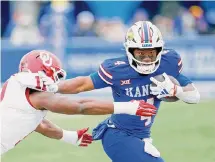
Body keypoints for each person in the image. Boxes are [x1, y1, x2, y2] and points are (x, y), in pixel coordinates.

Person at [39, 21, 200, 162]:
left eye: (151, 53)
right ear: (129, 51)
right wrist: (54, 87)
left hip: (141, 136)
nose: (146, 58)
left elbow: (194, 96)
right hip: (118, 135)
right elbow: (82, 84)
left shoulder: (168, 63)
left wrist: (175, 89)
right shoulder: (117, 69)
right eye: (140, 53)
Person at [0, 50, 157, 155]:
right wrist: (129, 107)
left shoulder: (19, 89)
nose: (56, 80)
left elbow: (39, 124)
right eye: (55, 74)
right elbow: (80, 106)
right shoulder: (38, 95)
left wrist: (70, 137)